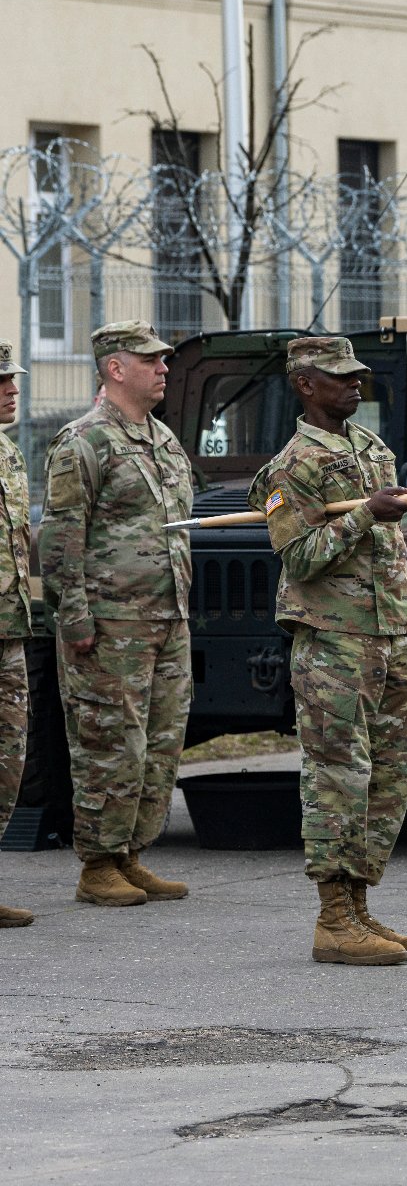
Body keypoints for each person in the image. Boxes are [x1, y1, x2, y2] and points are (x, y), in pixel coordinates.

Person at [249, 336, 407, 966]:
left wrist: (382, 517)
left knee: (388, 773)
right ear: (305, 383)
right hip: (334, 639)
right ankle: (332, 918)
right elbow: (297, 556)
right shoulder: (293, 465)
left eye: (358, 377)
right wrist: (362, 519)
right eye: (341, 379)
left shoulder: (371, 448)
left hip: (392, 634)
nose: (356, 387)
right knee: (337, 777)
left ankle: (358, 903)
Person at [39, 320, 193, 908]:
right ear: (114, 368)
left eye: (163, 360)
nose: (163, 369)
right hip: (109, 624)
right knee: (109, 741)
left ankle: (132, 854)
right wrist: (74, 615)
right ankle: (97, 863)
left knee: (160, 742)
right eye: (150, 360)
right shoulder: (83, 441)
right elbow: (60, 538)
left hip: (167, 619)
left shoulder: (163, 439)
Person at [0, 341, 34, 926]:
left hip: (8, 629)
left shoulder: (9, 454)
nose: (11, 389)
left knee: (9, 758)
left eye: (11, 378)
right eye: (0, 381)